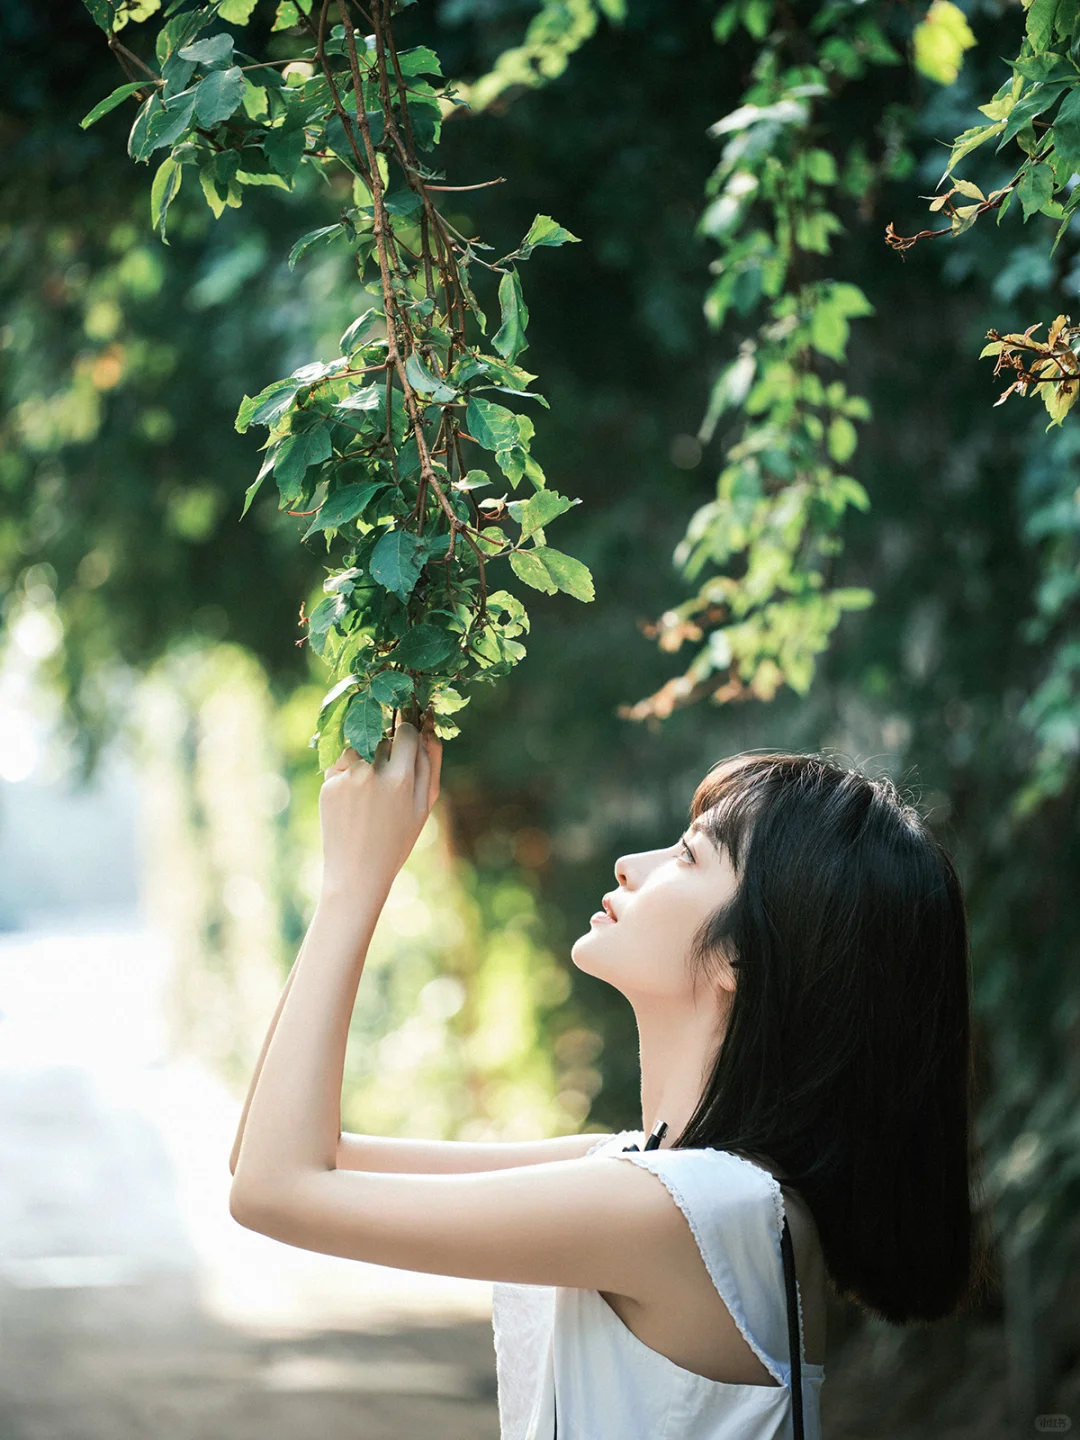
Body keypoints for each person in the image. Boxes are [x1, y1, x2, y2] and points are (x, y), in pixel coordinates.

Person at [228, 720, 992, 1439]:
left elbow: (276, 1187)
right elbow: (278, 1152)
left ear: (742, 957)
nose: (634, 863)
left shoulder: (690, 1212)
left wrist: (352, 886)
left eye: (691, 856)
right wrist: (351, 872)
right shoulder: (664, 1185)